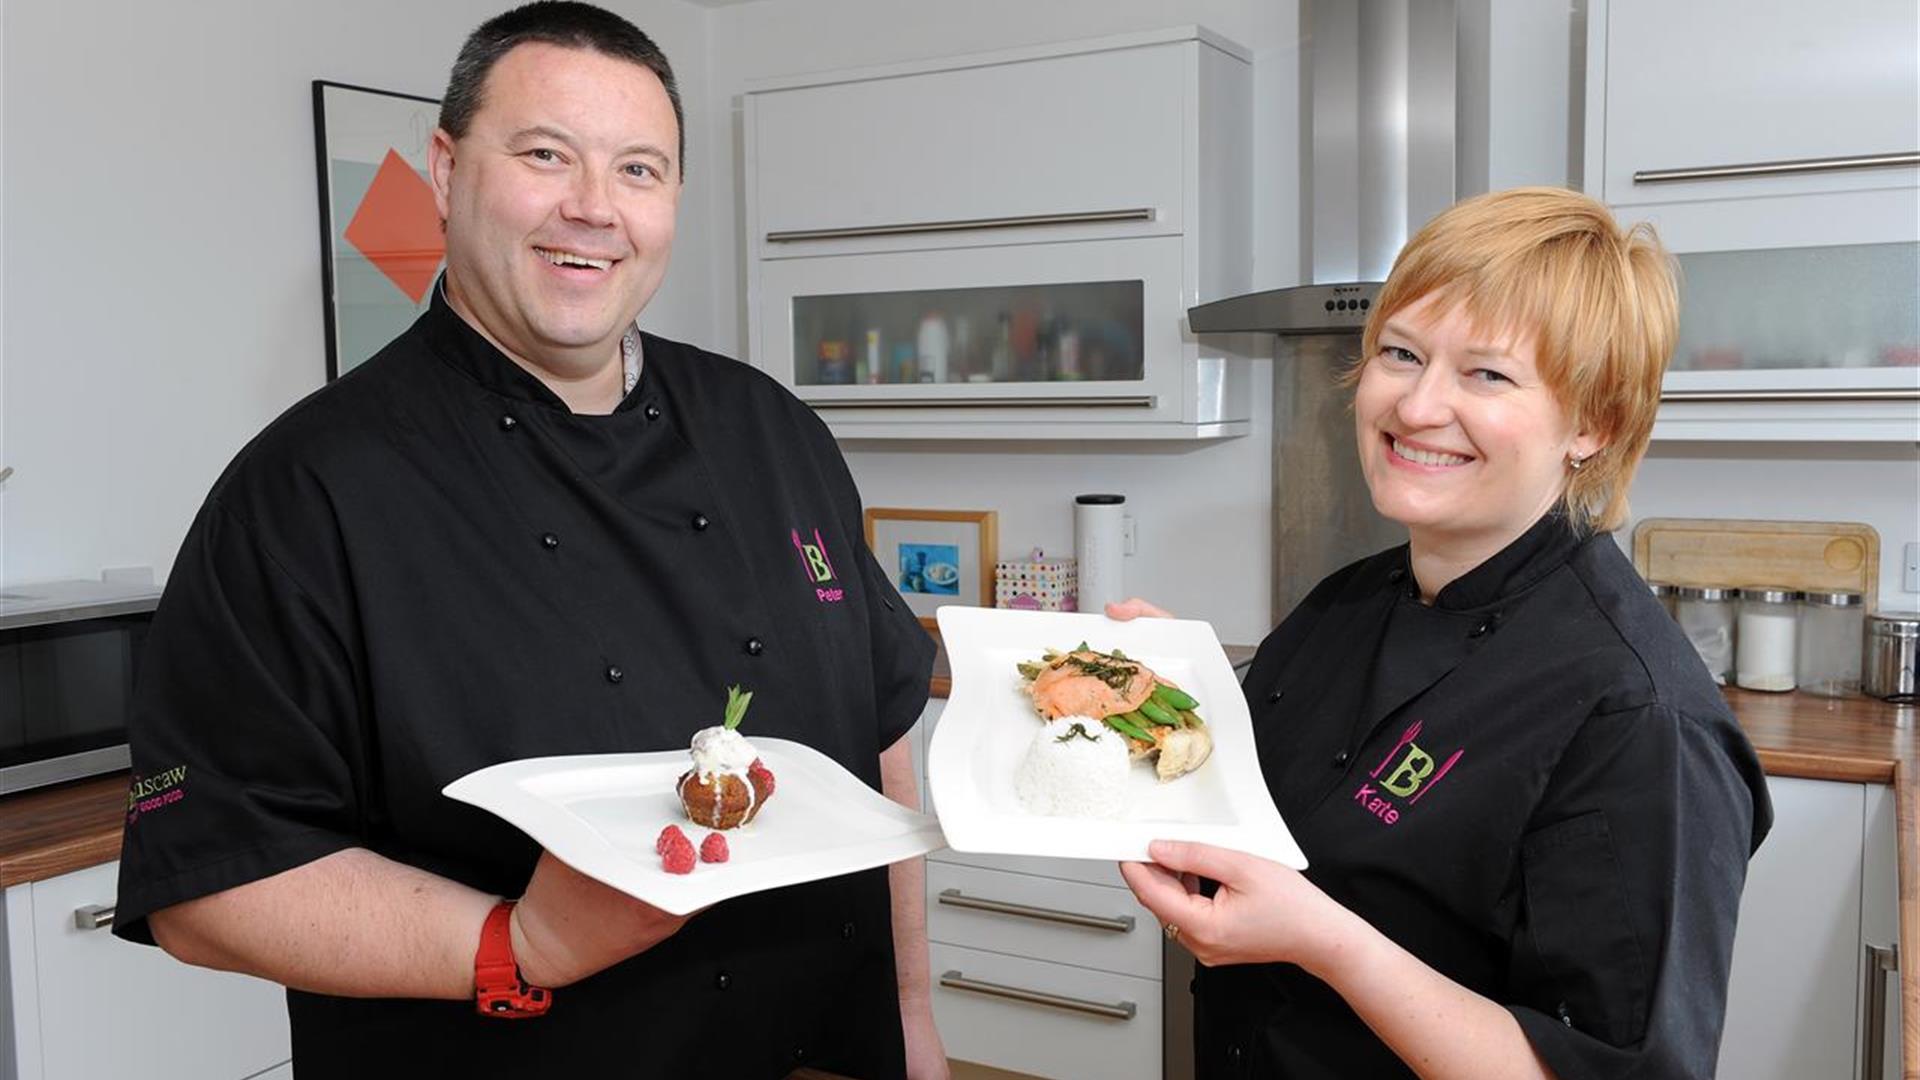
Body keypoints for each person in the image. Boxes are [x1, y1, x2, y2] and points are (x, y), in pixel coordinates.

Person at [111, 5, 946, 1077]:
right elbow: (208, 886)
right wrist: (524, 944)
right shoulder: (307, 490)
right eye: (547, 154)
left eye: (639, 170)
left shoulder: (774, 428)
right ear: (448, 169)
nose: (594, 209)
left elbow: (880, 742)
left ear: (673, 201)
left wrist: (914, 1014)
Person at [1111, 187, 1772, 1079]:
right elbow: (1260, 804)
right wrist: (1174, 690)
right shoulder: (1349, 601)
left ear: (1593, 425)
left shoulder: (1638, 719)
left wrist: (1325, 943)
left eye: (1487, 373)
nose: (1418, 406)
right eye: (1401, 353)